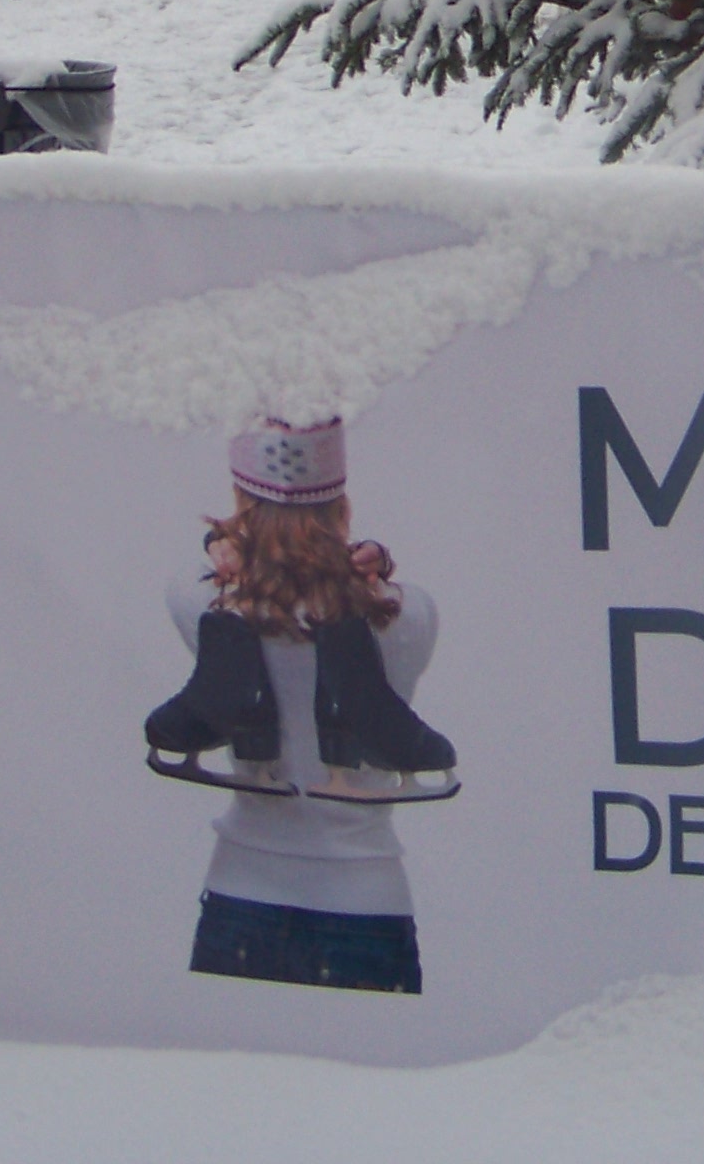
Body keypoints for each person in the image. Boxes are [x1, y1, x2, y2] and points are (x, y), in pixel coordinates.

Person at [142, 417, 453, 995]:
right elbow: (391, 592)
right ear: (342, 507)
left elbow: (189, 576)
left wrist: (225, 547)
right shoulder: (408, 616)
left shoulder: (200, 601)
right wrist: (371, 559)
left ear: (240, 503)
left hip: (243, 893)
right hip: (365, 904)